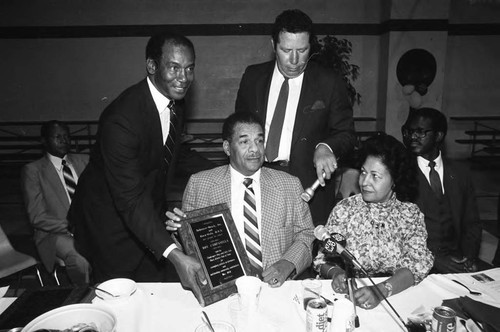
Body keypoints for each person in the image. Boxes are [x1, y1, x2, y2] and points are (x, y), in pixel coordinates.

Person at [68, 33, 206, 304]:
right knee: (121, 307)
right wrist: (173, 253)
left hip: (146, 217)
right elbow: (129, 200)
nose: (184, 77)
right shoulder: (122, 120)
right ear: (152, 66)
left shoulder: (176, 102)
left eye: (190, 68)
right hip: (109, 227)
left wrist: (231, 168)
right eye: (174, 67)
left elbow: (167, 157)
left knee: (156, 298)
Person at [235, 9, 356, 226]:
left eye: (302, 50)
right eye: (286, 50)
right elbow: (238, 129)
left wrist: (326, 147)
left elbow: (345, 133)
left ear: (311, 46)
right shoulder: (253, 77)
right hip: (257, 179)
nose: (293, 60)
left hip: (306, 186)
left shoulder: (329, 82)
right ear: (273, 46)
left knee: (305, 254)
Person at [166, 112, 315, 287]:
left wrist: (288, 264)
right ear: (227, 148)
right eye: (245, 142)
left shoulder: (289, 185)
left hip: (276, 288)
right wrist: (179, 232)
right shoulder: (201, 184)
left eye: (259, 141)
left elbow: (306, 234)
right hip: (222, 288)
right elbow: (190, 247)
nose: (255, 149)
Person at [314, 134, 433, 310]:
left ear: (394, 180)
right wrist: (336, 273)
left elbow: (417, 264)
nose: (365, 182)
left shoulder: (409, 214)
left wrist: (380, 291)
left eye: (375, 176)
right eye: (363, 172)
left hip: (395, 295)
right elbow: (322, 259)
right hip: (346, 300)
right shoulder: (345, 209)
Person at [402, 107, 490, 273]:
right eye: (409, 131)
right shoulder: (400, 173)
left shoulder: (460, 173)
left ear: (438, 136)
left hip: (459, 260)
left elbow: (472, 223)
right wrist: (433, 260)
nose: (412, 136)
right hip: (416, 265)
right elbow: (394, 235)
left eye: (421, 132)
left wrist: (468, 257)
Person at [21, 120, 90, 285]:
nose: (64, 140)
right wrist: (73, 226)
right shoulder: (33, 170)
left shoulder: (85, 160)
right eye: (57, 137)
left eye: (66, 136)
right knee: (80, 258)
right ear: (44, 141)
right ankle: (83, 295)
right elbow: (37, 217)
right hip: (55, 233)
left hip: (91, 226)